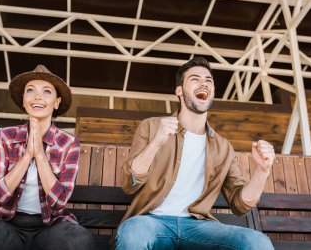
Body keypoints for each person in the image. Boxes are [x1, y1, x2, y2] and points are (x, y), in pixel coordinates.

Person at [115, 57, 275, 250]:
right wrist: (156, 142)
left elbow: (239, 205)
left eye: (208, 80)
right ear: (179, 91)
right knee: (133, 232)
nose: (204, 83)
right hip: (152, 222)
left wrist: (263, 171)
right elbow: (128, 183)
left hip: (199, 228)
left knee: (257, 242)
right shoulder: (151, 127)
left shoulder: (223, 148)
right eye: (195, 79)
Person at [0, 65, 95, 250]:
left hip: (50, 226)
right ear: (24, 101)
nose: (37, 97)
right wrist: (26, 156)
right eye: (30, 91)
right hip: (7, 225)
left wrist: (40, 155)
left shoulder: (69, 143)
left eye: (46, 91)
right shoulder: (5, 137)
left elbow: (59, 201)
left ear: (56, 102)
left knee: (80, 241)